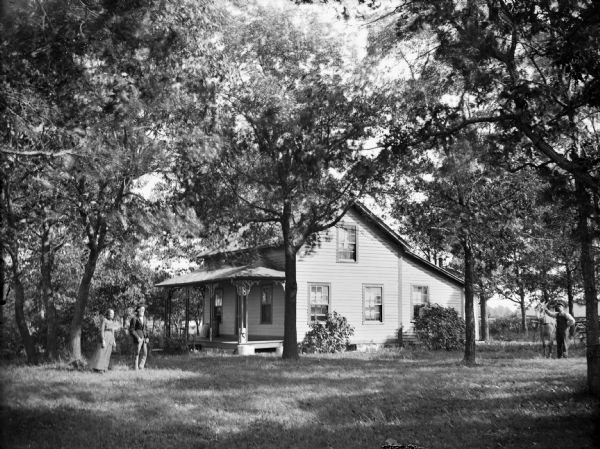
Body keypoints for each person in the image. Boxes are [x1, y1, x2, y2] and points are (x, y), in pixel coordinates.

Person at [129, 305, 149, 370]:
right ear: (138, 310)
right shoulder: (134, 318)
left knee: (145, 353)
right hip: (138, 339)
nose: (143, 311)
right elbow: (131, 330)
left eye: (144, 310)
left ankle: (141, 366)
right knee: (137, 353)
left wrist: (147, 337)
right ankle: (135, 368)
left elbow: (146, 328)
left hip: (144, 338)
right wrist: (137, 338)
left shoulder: (145, 318)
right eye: (142, 309)